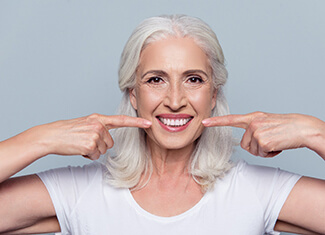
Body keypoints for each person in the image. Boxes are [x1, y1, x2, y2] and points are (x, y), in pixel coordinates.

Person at [0, 14, 324, 235]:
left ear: (213, 94)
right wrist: (41, 139)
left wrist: (314, 132)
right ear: (132, 94)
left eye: (193, 79)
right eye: (156, 80)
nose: (174, 100)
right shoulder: (81, 192)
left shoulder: (256, 191)